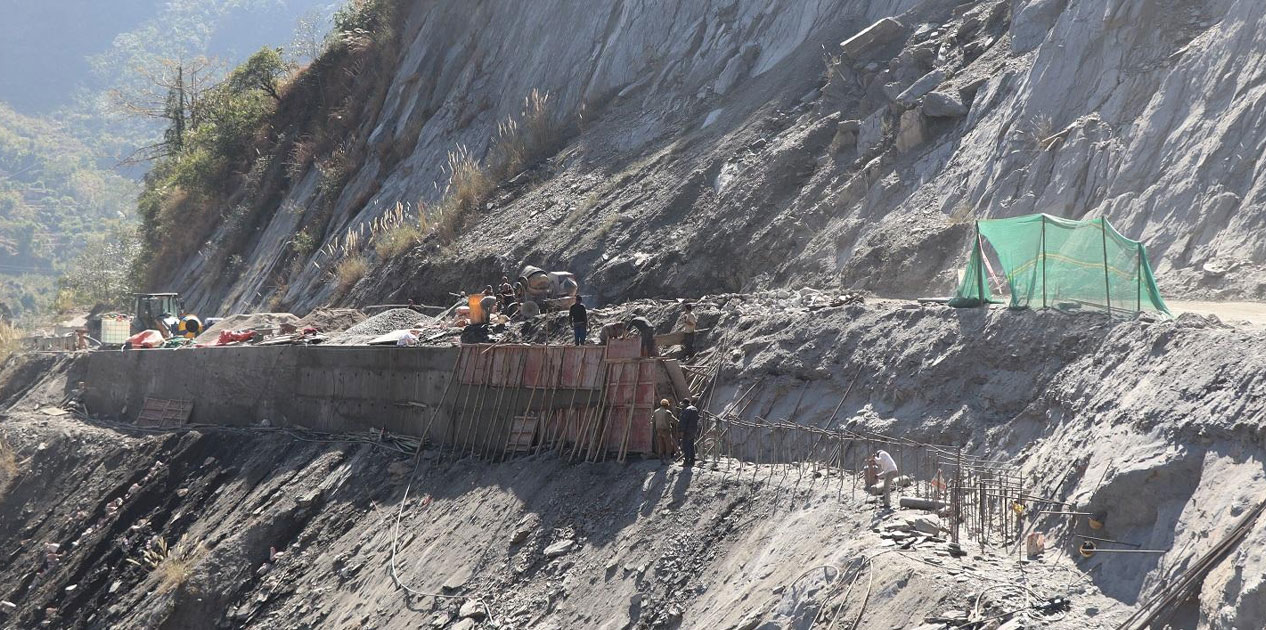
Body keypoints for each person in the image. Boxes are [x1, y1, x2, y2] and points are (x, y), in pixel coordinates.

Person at [678, 398, 699, 467]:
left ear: (684, 403)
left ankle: (686, 461)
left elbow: (684, 422)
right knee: (691, 445)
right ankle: (692, 461)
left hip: (687, 431)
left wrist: (682, 431)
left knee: (686, 446)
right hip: (693, 430)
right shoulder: (695, 409)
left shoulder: (687, 410)